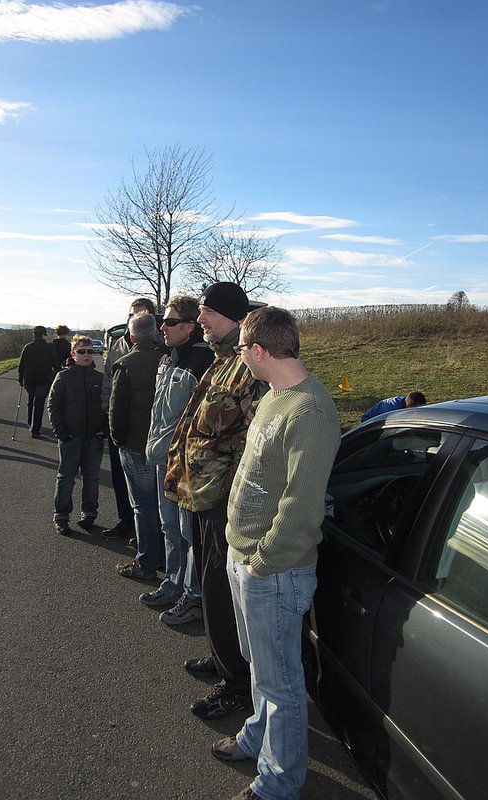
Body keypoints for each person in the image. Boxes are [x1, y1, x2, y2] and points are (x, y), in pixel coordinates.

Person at [211, 306, 341, 800]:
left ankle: (279, 782)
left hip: (273, 570)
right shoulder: (273, 398)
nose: (240, 357)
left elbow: (301, 508)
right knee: (258, 667)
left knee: (280, 683)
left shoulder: (310, 410)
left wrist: (262, 561)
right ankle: (257, 736)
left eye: (243, 348)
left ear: (260, 351)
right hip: (242, 555)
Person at [164, 282, 267, 720]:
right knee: (210, 584)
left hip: (225, 498)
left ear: (231, 316)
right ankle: (221, 657)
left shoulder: (249, 365)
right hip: (203, 494)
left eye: (207, 312)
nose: (199, 320)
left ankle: (237, 686)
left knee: (224, 592)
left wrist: (229, 491)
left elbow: (254, 438)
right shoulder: (222, 360)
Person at [142, 295, 214, 624]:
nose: (162, 327)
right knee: (169, 526)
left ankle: (194, 595)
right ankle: (172, 582)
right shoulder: (168, 358)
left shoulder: (204, 362)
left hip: (186, 465)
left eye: (170, 322)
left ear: (189, 326)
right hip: (162, 458)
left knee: (188, 533)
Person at [109, 314, 162, 579]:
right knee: (163, 507)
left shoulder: (125, 364)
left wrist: (118, 440)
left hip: (135, 444)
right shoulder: (167, 360)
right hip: (162, 445)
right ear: (155, 334)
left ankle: (147, 561)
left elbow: (117, 410)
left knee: (143, 506)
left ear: (131, 338)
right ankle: (161, 554)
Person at [100, 297, 156, 540]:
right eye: (133, 313)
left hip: (144, 430)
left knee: (146, 493)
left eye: (142, 312)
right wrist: (107, 410)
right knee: (120, 480)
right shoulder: (117, 345)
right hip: (118, 421)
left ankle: (146, 536)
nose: (136, 316)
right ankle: (126, 521)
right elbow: (107, 382)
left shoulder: (158, 346)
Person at [46, 335, 106, 536]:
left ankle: (89, 514)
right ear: (73, 354)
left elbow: (107, 406)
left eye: (89, 351)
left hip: (93, 438)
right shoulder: (63, 377)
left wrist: (103, 429)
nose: (87, 355)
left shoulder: (99, 378)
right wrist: (61, 432)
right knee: (66, 478)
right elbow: (53, 405)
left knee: (92, 478)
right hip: (71, 437)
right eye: (82, 351)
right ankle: (61, 516)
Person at [18, 325, 59, 438]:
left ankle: (30, 423)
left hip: (29, 379)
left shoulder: (28, 347)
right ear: (44, 335)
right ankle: (35, 429)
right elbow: (55, 364)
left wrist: (20, 378)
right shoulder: (49, 348)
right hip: (44, 379)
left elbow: (21, 365)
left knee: (31, 401)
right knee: (39, 403)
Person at [361, 390, 427, 422]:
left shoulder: (407, 401)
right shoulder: (391, 411)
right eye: (416, 411)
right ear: (408, 405)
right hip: (370, 424)